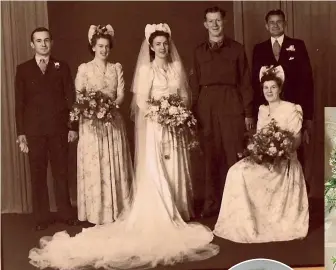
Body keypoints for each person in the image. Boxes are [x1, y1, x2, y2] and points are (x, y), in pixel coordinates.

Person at [28, 23, 219, 270]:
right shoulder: (97, 69)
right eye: (157, 44)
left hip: (165, 125)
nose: (162, 47)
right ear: (151, 46)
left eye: (165, 44)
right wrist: (157, 113)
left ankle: (178, 208)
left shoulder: (156, 68)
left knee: (173, 166)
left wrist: (175, 112)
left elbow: (178, 95)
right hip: (132, 125)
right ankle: (97, 212)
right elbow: (132, 99)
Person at [213, 66, 309, 243]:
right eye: (266, 88)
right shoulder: (262, 110)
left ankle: (264, 221)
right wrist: (260, 150)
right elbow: (260, 137)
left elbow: (296, 139)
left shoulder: (292, 108)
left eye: (273, 87)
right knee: (235, 171)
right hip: (265, 158)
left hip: (284, 160)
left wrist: (281, 150)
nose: (269, 91)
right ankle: (245, 222)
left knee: (243, 173)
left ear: (280, 89)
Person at [190, 6, 254, 218]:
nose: (215, 24)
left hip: (231, 103)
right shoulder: (198, 52)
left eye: (218, 20)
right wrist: (194, 114)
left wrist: (248, 113)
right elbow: (195, 85)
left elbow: (245, 82)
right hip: (206, 106)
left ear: (223, 22)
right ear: (205, 24)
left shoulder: (236, 49)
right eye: (211, 21)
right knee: (210, 156)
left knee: (232, 155)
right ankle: (211, 204)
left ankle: (236, 206)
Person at [15, 27, 79, 231]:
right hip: (34, 131)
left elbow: (71, 98)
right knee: (38, 175)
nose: (43, 44)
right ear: (32, 44)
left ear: (51, 43)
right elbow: (20, 104)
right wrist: (21, 133)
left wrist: (73, 126)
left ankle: (65, 213)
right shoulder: (23, 69)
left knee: (61, 173)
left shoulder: (62, 67)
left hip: (59, 129)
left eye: (46, 40)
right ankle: (41, 217)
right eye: (38, 41)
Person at [75, 25, 133, 225]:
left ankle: (117, 208)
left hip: (112, 121)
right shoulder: (84, 68)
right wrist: (93, 109)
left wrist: (110, 107)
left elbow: (121, 94)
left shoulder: (116, 68)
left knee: (113, 161)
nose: (104, 50)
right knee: (95, 163)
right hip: (91, 123)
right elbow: (79, 95)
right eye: (100, 46)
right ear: (93, 47)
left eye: (107, 46)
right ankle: (96, 212)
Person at [251, 9, 314, 193]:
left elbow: (307, 82)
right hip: (270, 109)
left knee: (295, 155)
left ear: (285, 24)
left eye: (279, 22)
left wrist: (308, 117)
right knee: (270, 156)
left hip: (292, 113)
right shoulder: (259, 49)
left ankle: (298, 198)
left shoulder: (297, 45)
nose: (275, 25)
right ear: (266, 25)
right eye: (272, 22)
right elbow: (256, 85)